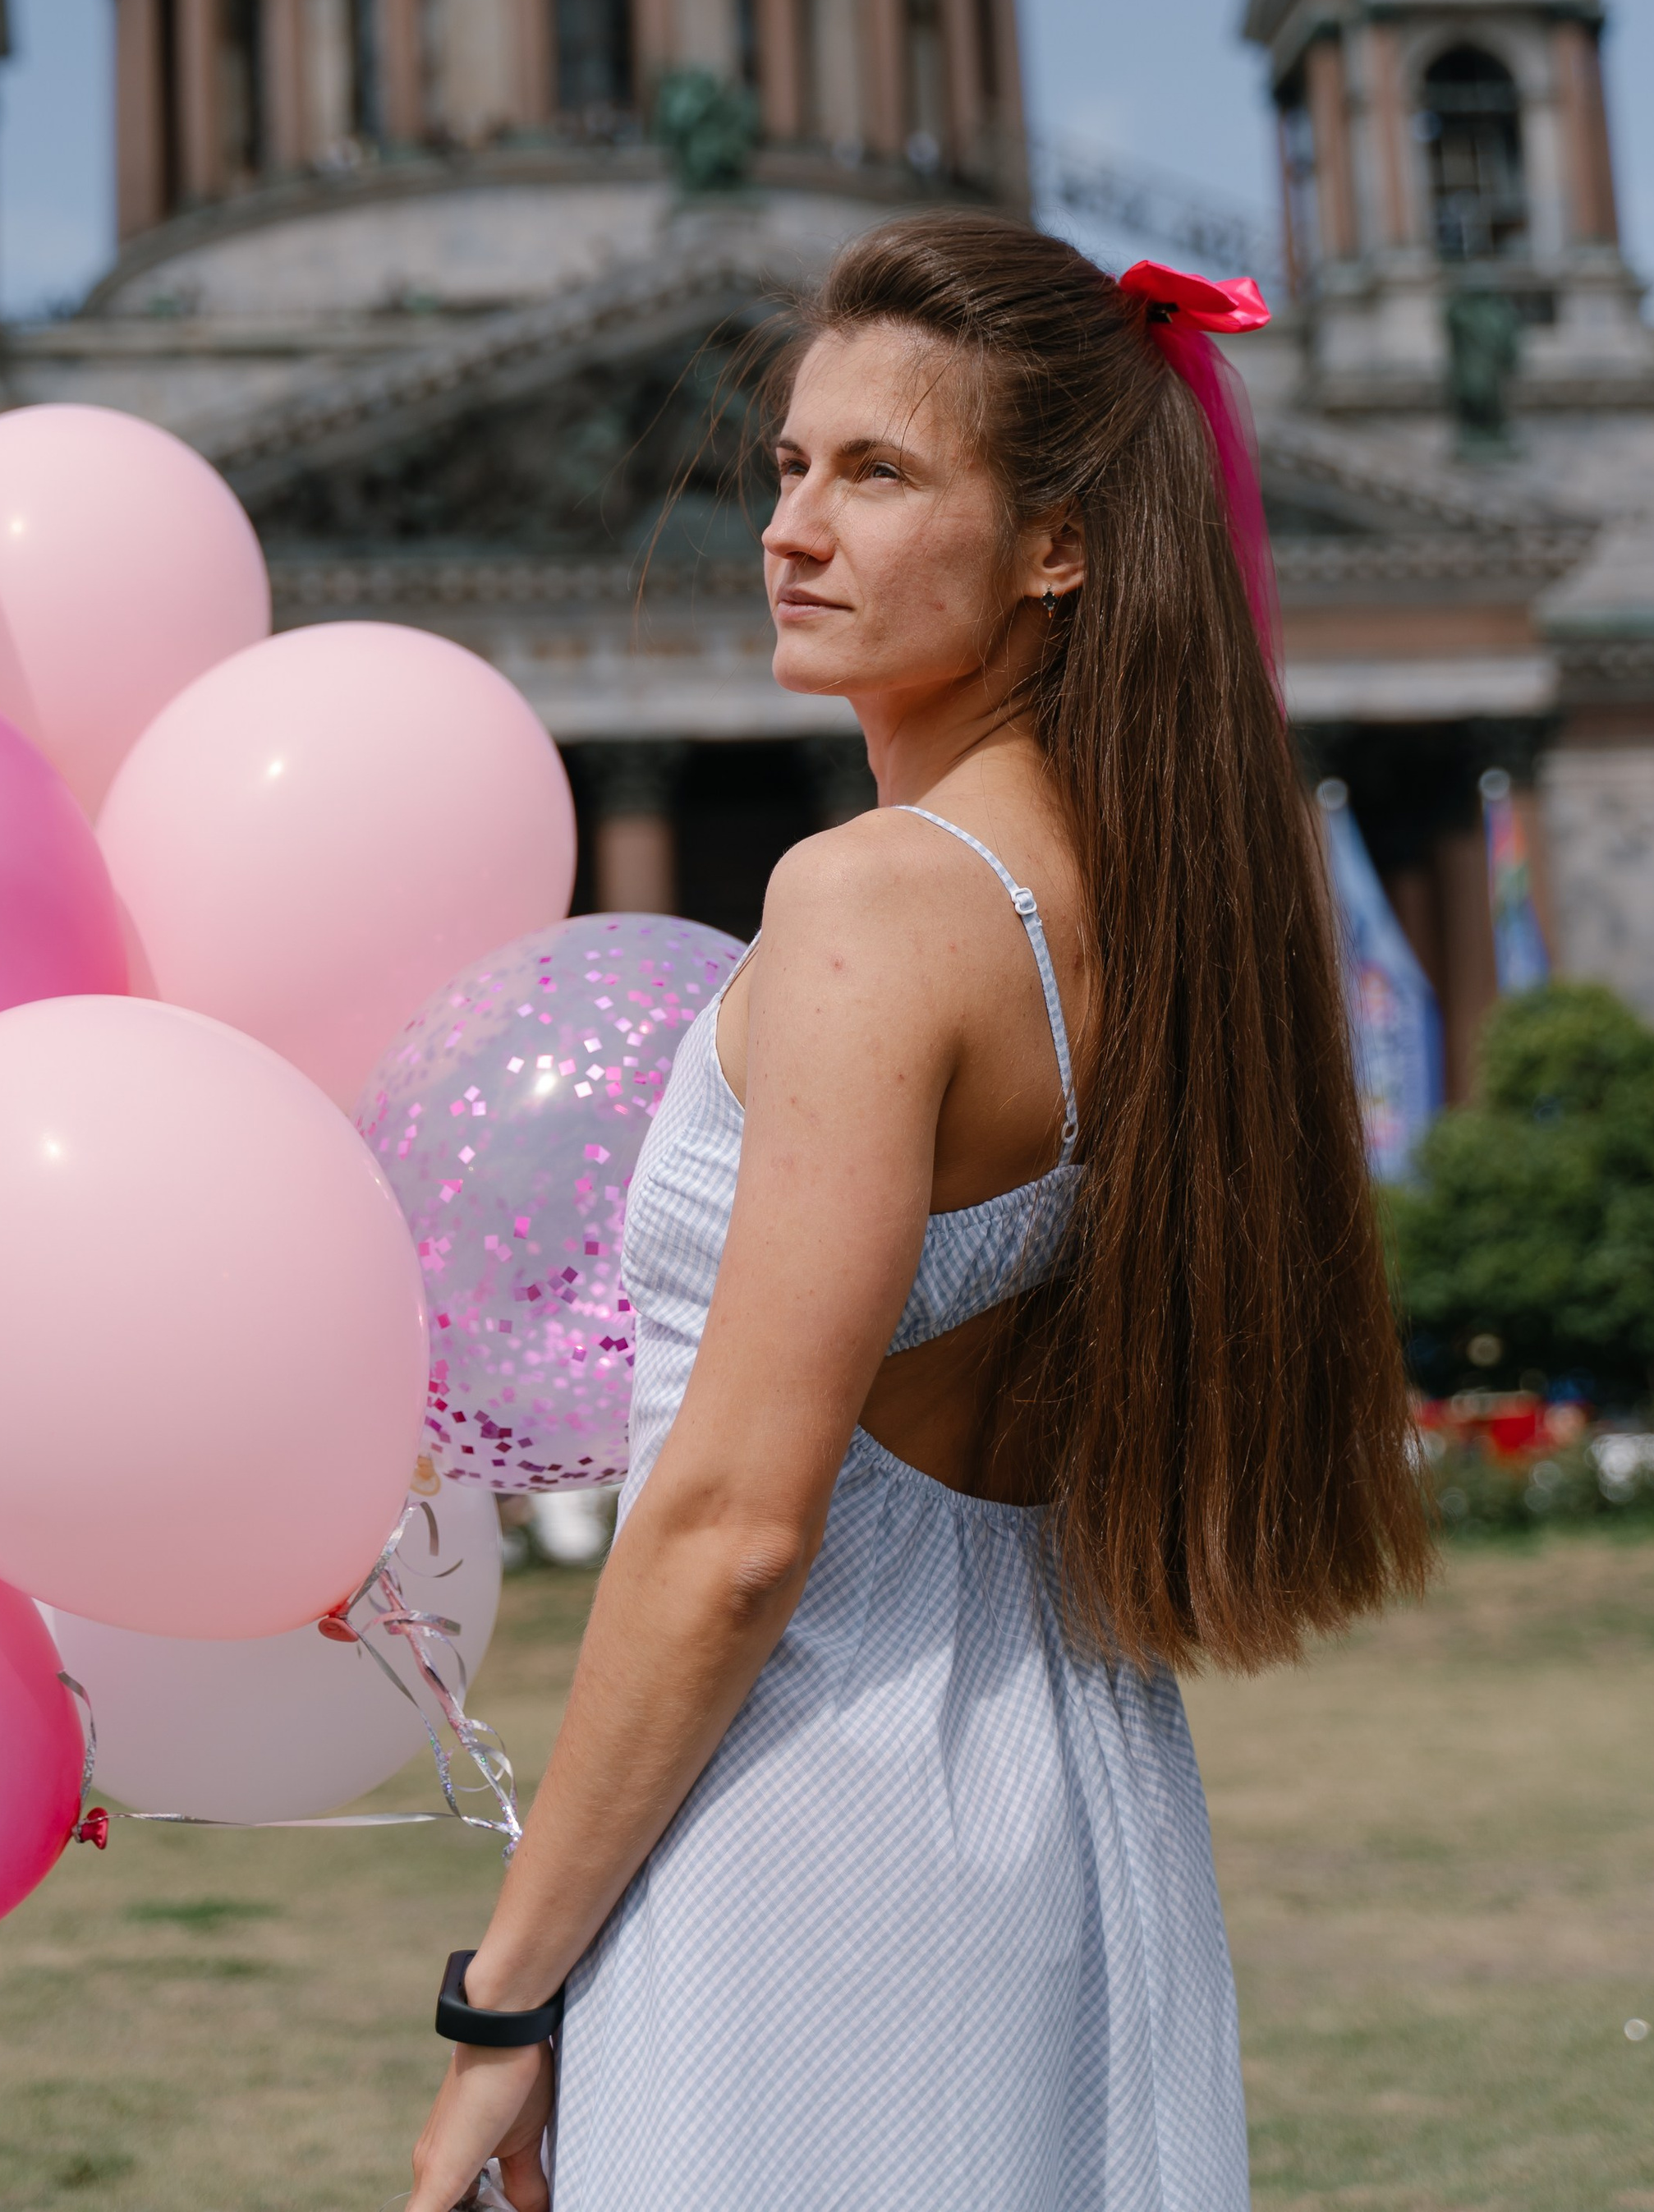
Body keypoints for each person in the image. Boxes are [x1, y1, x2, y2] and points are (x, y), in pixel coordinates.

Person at [405, 218, 1429, 2212]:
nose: (791, 529)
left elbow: (727, 1534)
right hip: (1071, 1793)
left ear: (1055, 542)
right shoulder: (1153, 910)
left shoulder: (878, 903)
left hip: (814, 1831)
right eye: (786, 468)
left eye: (878, 473)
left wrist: (500, 2000)